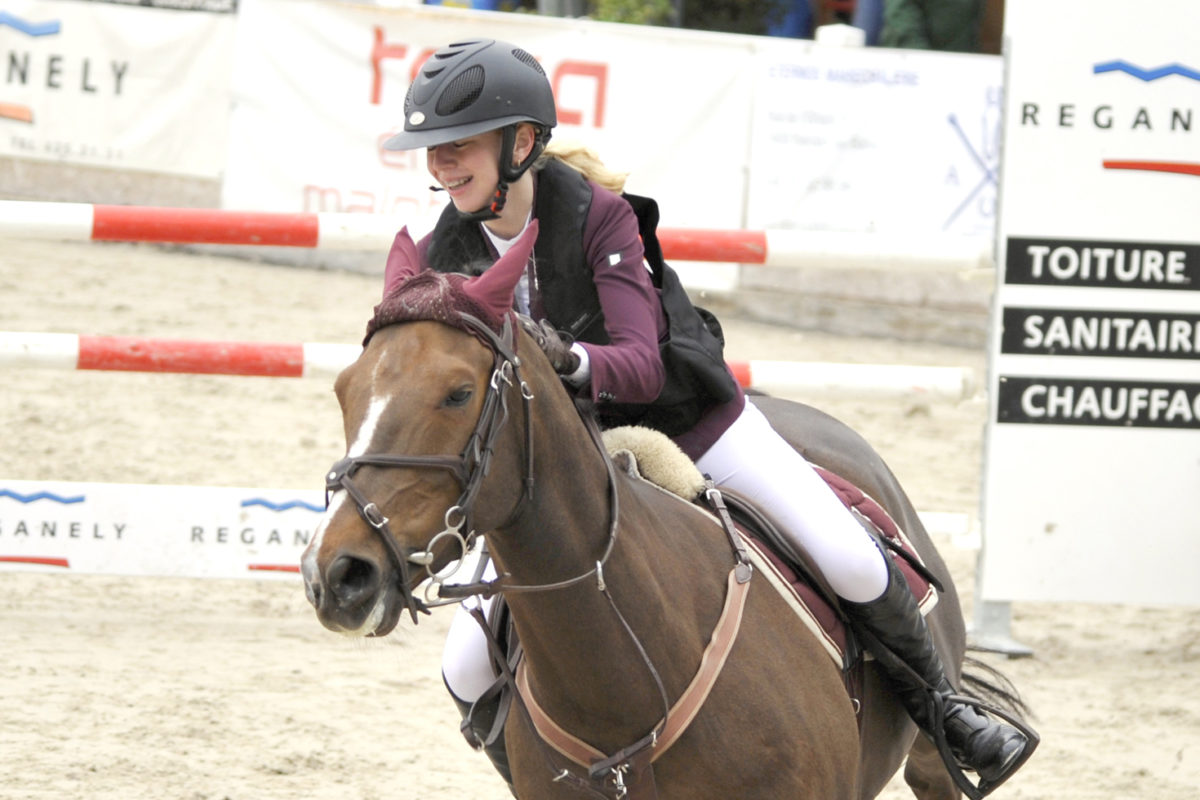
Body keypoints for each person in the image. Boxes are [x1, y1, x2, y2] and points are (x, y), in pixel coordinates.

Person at [381, 38, 1032, 795]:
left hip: (687, 421)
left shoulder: (599, 218)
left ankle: (947, 712)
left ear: (521, 142)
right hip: (561, 464)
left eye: (456, 146)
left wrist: (568, 361)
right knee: (463, 666)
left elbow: (642, 361)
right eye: (431, 151)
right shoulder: (443, 252)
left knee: (849, 557)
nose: (441, 165)